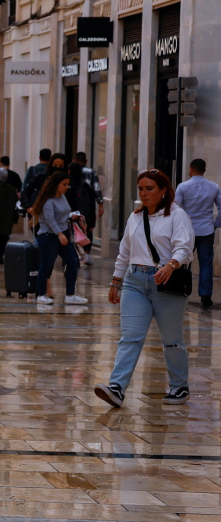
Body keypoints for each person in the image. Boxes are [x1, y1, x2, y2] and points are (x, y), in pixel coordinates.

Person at [96, 169, 194, 407]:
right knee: (129, 338)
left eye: (149, 188)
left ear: (163, 191)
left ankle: (180, 386)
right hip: (134, 281)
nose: (144, 193)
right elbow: (124, 252)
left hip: (166, 281)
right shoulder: (135, 217)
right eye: (140, 188)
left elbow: (185, 248)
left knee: (171, 340)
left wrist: (171, 265)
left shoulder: (177, 216)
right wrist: (116, 281)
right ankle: (117, 388)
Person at [30, 168, 86, 306]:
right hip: (49, 236)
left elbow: (61, 214)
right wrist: (60, 234)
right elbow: (50, 220)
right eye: (64, 184)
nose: (67, 187)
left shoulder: (62, 197)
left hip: (62, 235)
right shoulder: (48, 201)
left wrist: (72, 215)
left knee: (73, 262)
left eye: (68, 184)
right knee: (46, 265)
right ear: (56, 184)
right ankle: (41, 295)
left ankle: (70, 294)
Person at [176, 158, 218, 309]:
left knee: (182, 261)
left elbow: (175, 207)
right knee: (206, 263)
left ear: (191, 169)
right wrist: (216, 224)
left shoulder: (183, 187)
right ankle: (206, 295)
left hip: (187, 230)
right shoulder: (214, 187)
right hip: (206, 230)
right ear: (204, 170)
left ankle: (180, 290)